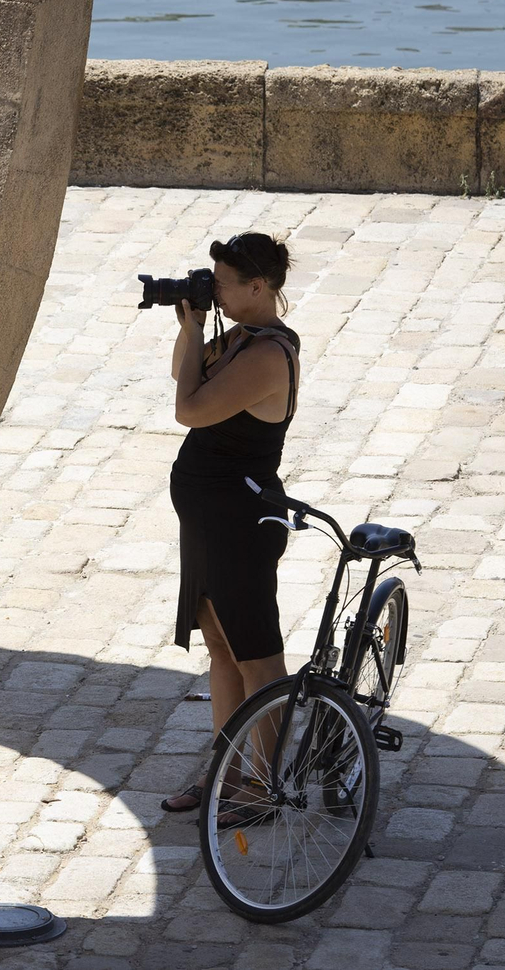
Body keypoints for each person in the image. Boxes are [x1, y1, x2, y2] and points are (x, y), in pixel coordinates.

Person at [158, 232, 299, 825]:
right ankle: (227, 766)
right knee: (221, 648)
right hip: (209, 519)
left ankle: (260, 786)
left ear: (257, 287)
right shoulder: (239, 336)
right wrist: (191, 327)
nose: (213, 288)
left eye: (221, 282)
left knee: (258, 659)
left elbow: (189, 409)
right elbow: (180, 375)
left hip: (239, 523)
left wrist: (197, 334)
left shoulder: (267, 354)